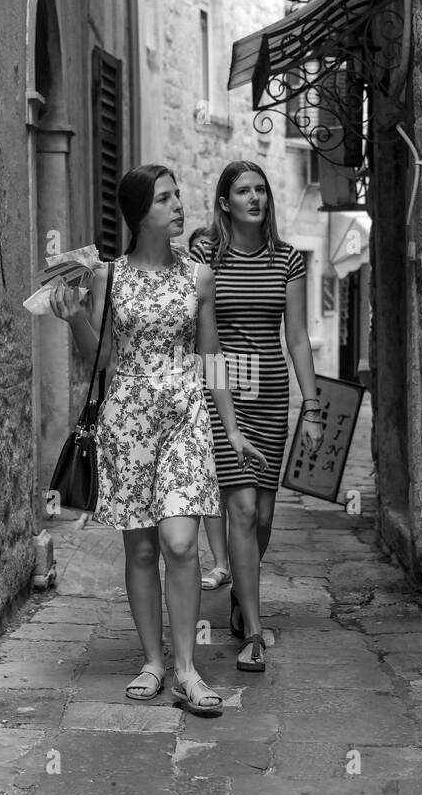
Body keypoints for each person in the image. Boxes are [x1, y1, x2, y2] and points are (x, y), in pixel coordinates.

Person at [50, 165, 265, 715]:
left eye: (177, 196)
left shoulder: (198, 277)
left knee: (181, 543)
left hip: (186, 416)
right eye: (165, 198)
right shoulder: (109, 277)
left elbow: (210, 358)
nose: (178, 205)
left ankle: (188, 671)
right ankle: (152, 660)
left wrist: (232, 429)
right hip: (127, 422)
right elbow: (101, 356)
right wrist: (74, 319)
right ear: (139, 211)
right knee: (142, 547)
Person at [190, 160, 324, 673]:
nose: (255, 198)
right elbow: (202, 333)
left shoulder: (287, 261)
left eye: (261, 190)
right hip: (220, 390)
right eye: (243, 191)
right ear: (225, 203)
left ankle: (242, 590)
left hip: (269, 395)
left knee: (263, 518)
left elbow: (296, 339)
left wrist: (311, 408)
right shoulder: (207, 255)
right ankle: (253, 629)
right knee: (241, 510)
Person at [188, 225, 232, 595]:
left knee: (227, 485)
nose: (204, 255)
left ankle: (233, 561)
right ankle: (221, 562)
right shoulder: (189, 283)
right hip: (194, 387)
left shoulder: (225, 280)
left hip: (233, 379)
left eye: (210, 250)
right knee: (208, 481)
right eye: (197, 250)